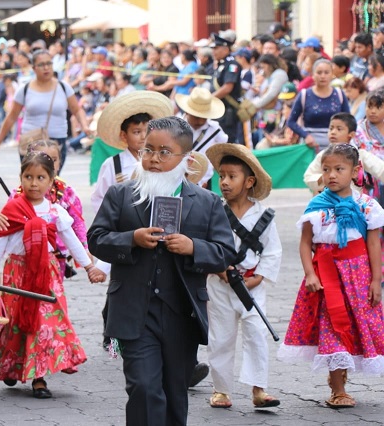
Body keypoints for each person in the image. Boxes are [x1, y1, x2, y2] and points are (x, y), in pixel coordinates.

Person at [87, 116, 237, 426]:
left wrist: (193, 247)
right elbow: (97, 239)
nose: (154, 159)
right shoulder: (121, 194)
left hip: (182, 313)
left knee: (174, 392)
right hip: (132, 311)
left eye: (164, 152)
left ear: (186, 158)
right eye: (148, 150)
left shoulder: (208, 203)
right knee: (143, 387)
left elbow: (225, 254)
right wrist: (131, 239)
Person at [0, 151, 104, 399]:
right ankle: (12, 367)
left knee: (45, 325)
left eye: (40, 177)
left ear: (52, 181)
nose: (34, 183)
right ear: (20, 178)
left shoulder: (56, 212)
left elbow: (71, 240)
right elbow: (0, 244)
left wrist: (89, 265)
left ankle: (39, 377)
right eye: (28, 177)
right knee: (15, 322)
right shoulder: (13, 209)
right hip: (16, 274)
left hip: (46, 275)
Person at [277, 143, 384, 408]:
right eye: (327, 170)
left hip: (358, 276)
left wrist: (375, 280)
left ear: (355, 171)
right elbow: (305, 244)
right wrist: (310, 274)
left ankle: (343, 375)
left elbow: (373, 244)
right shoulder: (317, 205)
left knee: (359, 324)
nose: (332, 175)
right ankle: (338, 389)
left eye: (339, 169)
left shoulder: (367, 206)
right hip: (326, 276)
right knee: (330, 325)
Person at [204, 143, 282, 409]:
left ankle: (259, 389)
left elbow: (272, 252)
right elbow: (204, 246)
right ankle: (221, 390)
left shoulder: (264, 216)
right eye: (221, 176)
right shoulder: (213, 211)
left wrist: (257, 279)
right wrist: (218, 268)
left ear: (249, 181)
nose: (224, 182)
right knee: (220, 337)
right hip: (219, 284)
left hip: (251, 286)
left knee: (256, 333)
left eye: (232, 176)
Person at [0, 49, 91, 172]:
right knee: (33, 184)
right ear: (34, 68)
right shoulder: (25, 89)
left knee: (52, 182)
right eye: (41, 65)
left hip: (57, 142)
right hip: (31, 142)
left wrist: (85, 126)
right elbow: (12, 117)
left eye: (49, 64)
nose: (46, 68)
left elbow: (77, 110)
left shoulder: (64, 88)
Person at [19, 139, 103, 282]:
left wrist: (84, 247)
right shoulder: (19, 194)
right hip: (24, 254)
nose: (49, 164)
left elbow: (77, 223)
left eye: (54, 159)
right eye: (42, 158)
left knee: (53, 292)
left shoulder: (66, 192)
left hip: (57, 255)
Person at [91, 91, 175, 214]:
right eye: (136, 132)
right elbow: (99, 197)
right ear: (124, 136)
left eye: (147, 130)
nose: (143, 137)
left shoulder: (162, 160)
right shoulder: (113, 165)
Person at [287, 59, 350, 151]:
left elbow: (348, 120)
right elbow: (291, 121)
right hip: (310, 146)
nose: (323, 76)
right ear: (313, 75)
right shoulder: (304, 95)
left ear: (332, 74)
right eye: (319, 73)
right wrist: (305, 135)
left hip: (334, 147)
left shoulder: (339, 94)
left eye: (326, 72)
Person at [175, 87, 227, 187]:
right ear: (187, 112)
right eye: (196, 117)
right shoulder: (176, 126)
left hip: (205, 180)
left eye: (204, 117)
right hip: (178, 177)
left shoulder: (215, 129)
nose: (200, 121)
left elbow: (224, 147)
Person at [304, 113, 357, 193]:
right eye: (331, 128)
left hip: (353, 200)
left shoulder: (360, 155)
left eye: (339, 129)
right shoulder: (323, 155)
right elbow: (308, 177)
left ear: (351, 134)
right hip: (328, 200)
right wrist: (324, 178)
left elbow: (380, 170)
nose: (333, 132)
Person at [210, 32, 243, 143]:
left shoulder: (231, 65)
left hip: (227, 111)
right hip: (218, 110)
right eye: (213, 48)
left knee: (227, 142)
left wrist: (209, 99)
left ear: (225, 49)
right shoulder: (221, 64)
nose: (213, 51)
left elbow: (227, 87)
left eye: (216, 48)